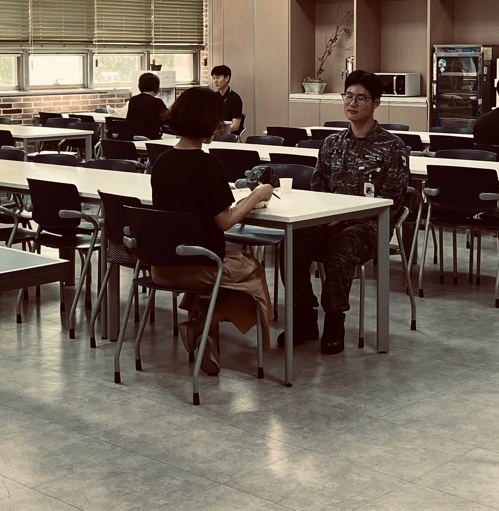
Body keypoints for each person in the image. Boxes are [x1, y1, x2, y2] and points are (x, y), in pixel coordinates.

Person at [150, 87, 275, 375]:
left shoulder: (162, 161)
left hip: (160, 265)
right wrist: (256, 195)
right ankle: (201, 326)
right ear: (208, 122)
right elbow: (224, 222)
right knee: (253, 271)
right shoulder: (207, 165)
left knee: (220, 273)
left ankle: (203, 333)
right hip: (197, 267)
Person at [286, 70, 410, 355]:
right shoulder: (332, 143)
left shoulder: (393, 148)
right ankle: (303, 316)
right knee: (293, 241)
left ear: (376, 103)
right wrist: (328, 218)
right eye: (348, 96)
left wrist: (344, 220)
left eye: (361, 98)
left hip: (370, 226)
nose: (352, 103)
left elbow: (391, 201)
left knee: (342, 247)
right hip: (328, 220)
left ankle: (334, 322)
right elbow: (318, 187)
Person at [124, 72, 169, 140]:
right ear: (156, 87)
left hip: (135, 138)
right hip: (152, 139)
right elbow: (168, 119)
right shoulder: (157, 102)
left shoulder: (133, 100)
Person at [210, 65, 244, 135]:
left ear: (227, 78)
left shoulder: (235, 98)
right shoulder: (213, 97)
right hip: (214, 133)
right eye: (213, 78)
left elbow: (235, 126)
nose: (215, 81)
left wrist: (219, 132)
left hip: (229, 135)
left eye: (218, 78)